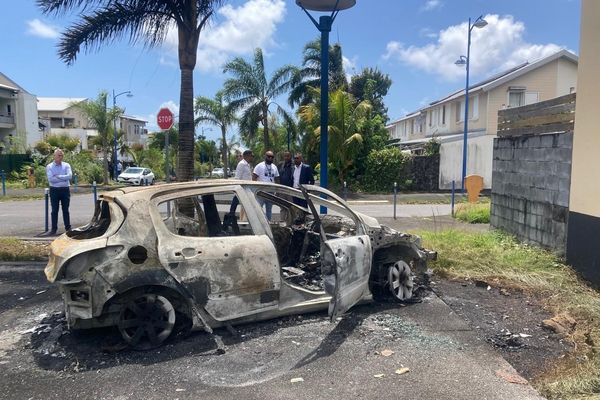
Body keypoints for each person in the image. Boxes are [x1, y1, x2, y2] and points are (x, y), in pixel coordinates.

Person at [46, 148, 72, 235]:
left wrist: (58, 176)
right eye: (59, 155)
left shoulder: (66, 165)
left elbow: (69, 176)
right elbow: (51, 179)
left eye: (62, 155)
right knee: (54, 210)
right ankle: (53, 229)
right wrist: (63, 178)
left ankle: (68, 228)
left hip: (65, 190)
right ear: (54, 156)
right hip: (54, 190)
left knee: (66, 209)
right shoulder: (49, 166)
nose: (61, 157)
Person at [252, 150, 279, 220]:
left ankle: (268, 224)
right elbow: (254, 177)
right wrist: (254, 189)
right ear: (265, 156)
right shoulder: (259, 166)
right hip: (261, 191)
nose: (270, 158)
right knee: (258, 209)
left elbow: (276, 179)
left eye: (272, 157)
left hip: (271, 192)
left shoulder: (274, 167)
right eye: (269, 156)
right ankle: (259, 223)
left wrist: (277, 191)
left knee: (269, 210)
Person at [229, 150, 254, 217]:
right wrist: (237, 188)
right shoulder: (241, 164)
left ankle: (243, 218)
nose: (252, 157)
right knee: (235, 202)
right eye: (252, 156)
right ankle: (231, 216)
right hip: (241, 188)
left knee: (245, 205)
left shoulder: (247, 164)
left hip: (247, 189)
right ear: (247, 156)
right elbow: (237, 177)